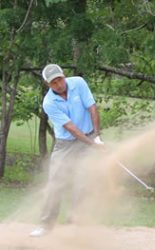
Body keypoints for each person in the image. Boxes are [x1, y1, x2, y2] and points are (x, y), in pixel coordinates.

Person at [30, 64, 104, 237]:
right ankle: (45, 225)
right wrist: (93, 144)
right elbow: (70, 127)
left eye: (59, 79)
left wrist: (97, 136)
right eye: (53, 82)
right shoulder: (49, 102)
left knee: (84, 181)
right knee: (55, 182)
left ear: (64, 75)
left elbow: (92, 107)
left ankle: (76, 222)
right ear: (48, 85)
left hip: (88, 137)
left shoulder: (78, 83)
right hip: (65, 144)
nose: (58, 84)